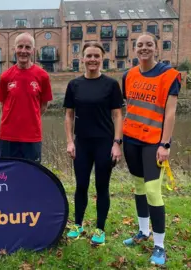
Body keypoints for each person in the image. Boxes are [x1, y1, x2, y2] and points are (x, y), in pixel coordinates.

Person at [121, 32, 181, 266]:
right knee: (138, 185)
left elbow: (170, 113)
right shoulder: (128, 75)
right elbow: (129, 106)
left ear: (156, 48)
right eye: (139, 45)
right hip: (131, 139)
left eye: (148, 44)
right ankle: (143, 231)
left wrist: (165, 144)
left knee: (153, 191)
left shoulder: (169, 75)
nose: (144, 48)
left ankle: (159, 246)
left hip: (154, 141)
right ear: (134, 49)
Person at [63, 42, 123, 246]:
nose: (92, 60)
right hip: (82, 143)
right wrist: (70, 142)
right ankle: (78, 225)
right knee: (81, 185)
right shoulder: (74, 85)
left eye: (96, 56)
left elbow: (117, 115)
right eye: (89, 56)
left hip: (104, 143)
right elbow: (69, 115)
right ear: (82, 59)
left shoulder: (111, 84)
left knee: (102, 186)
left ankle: (100, 228)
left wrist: (117, 143)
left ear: (102, 58)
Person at [0, 33, 53, 162]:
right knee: (6, 177)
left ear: (33, 50)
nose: (23, 51)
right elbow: (3, 104)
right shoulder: (5, 76)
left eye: (27, 47)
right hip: (8, 136)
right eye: (20, 46)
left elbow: (44, 105)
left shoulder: (42, 76)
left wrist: (31, 118)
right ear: (14, 49)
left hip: (32, 137)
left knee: (31, 176)